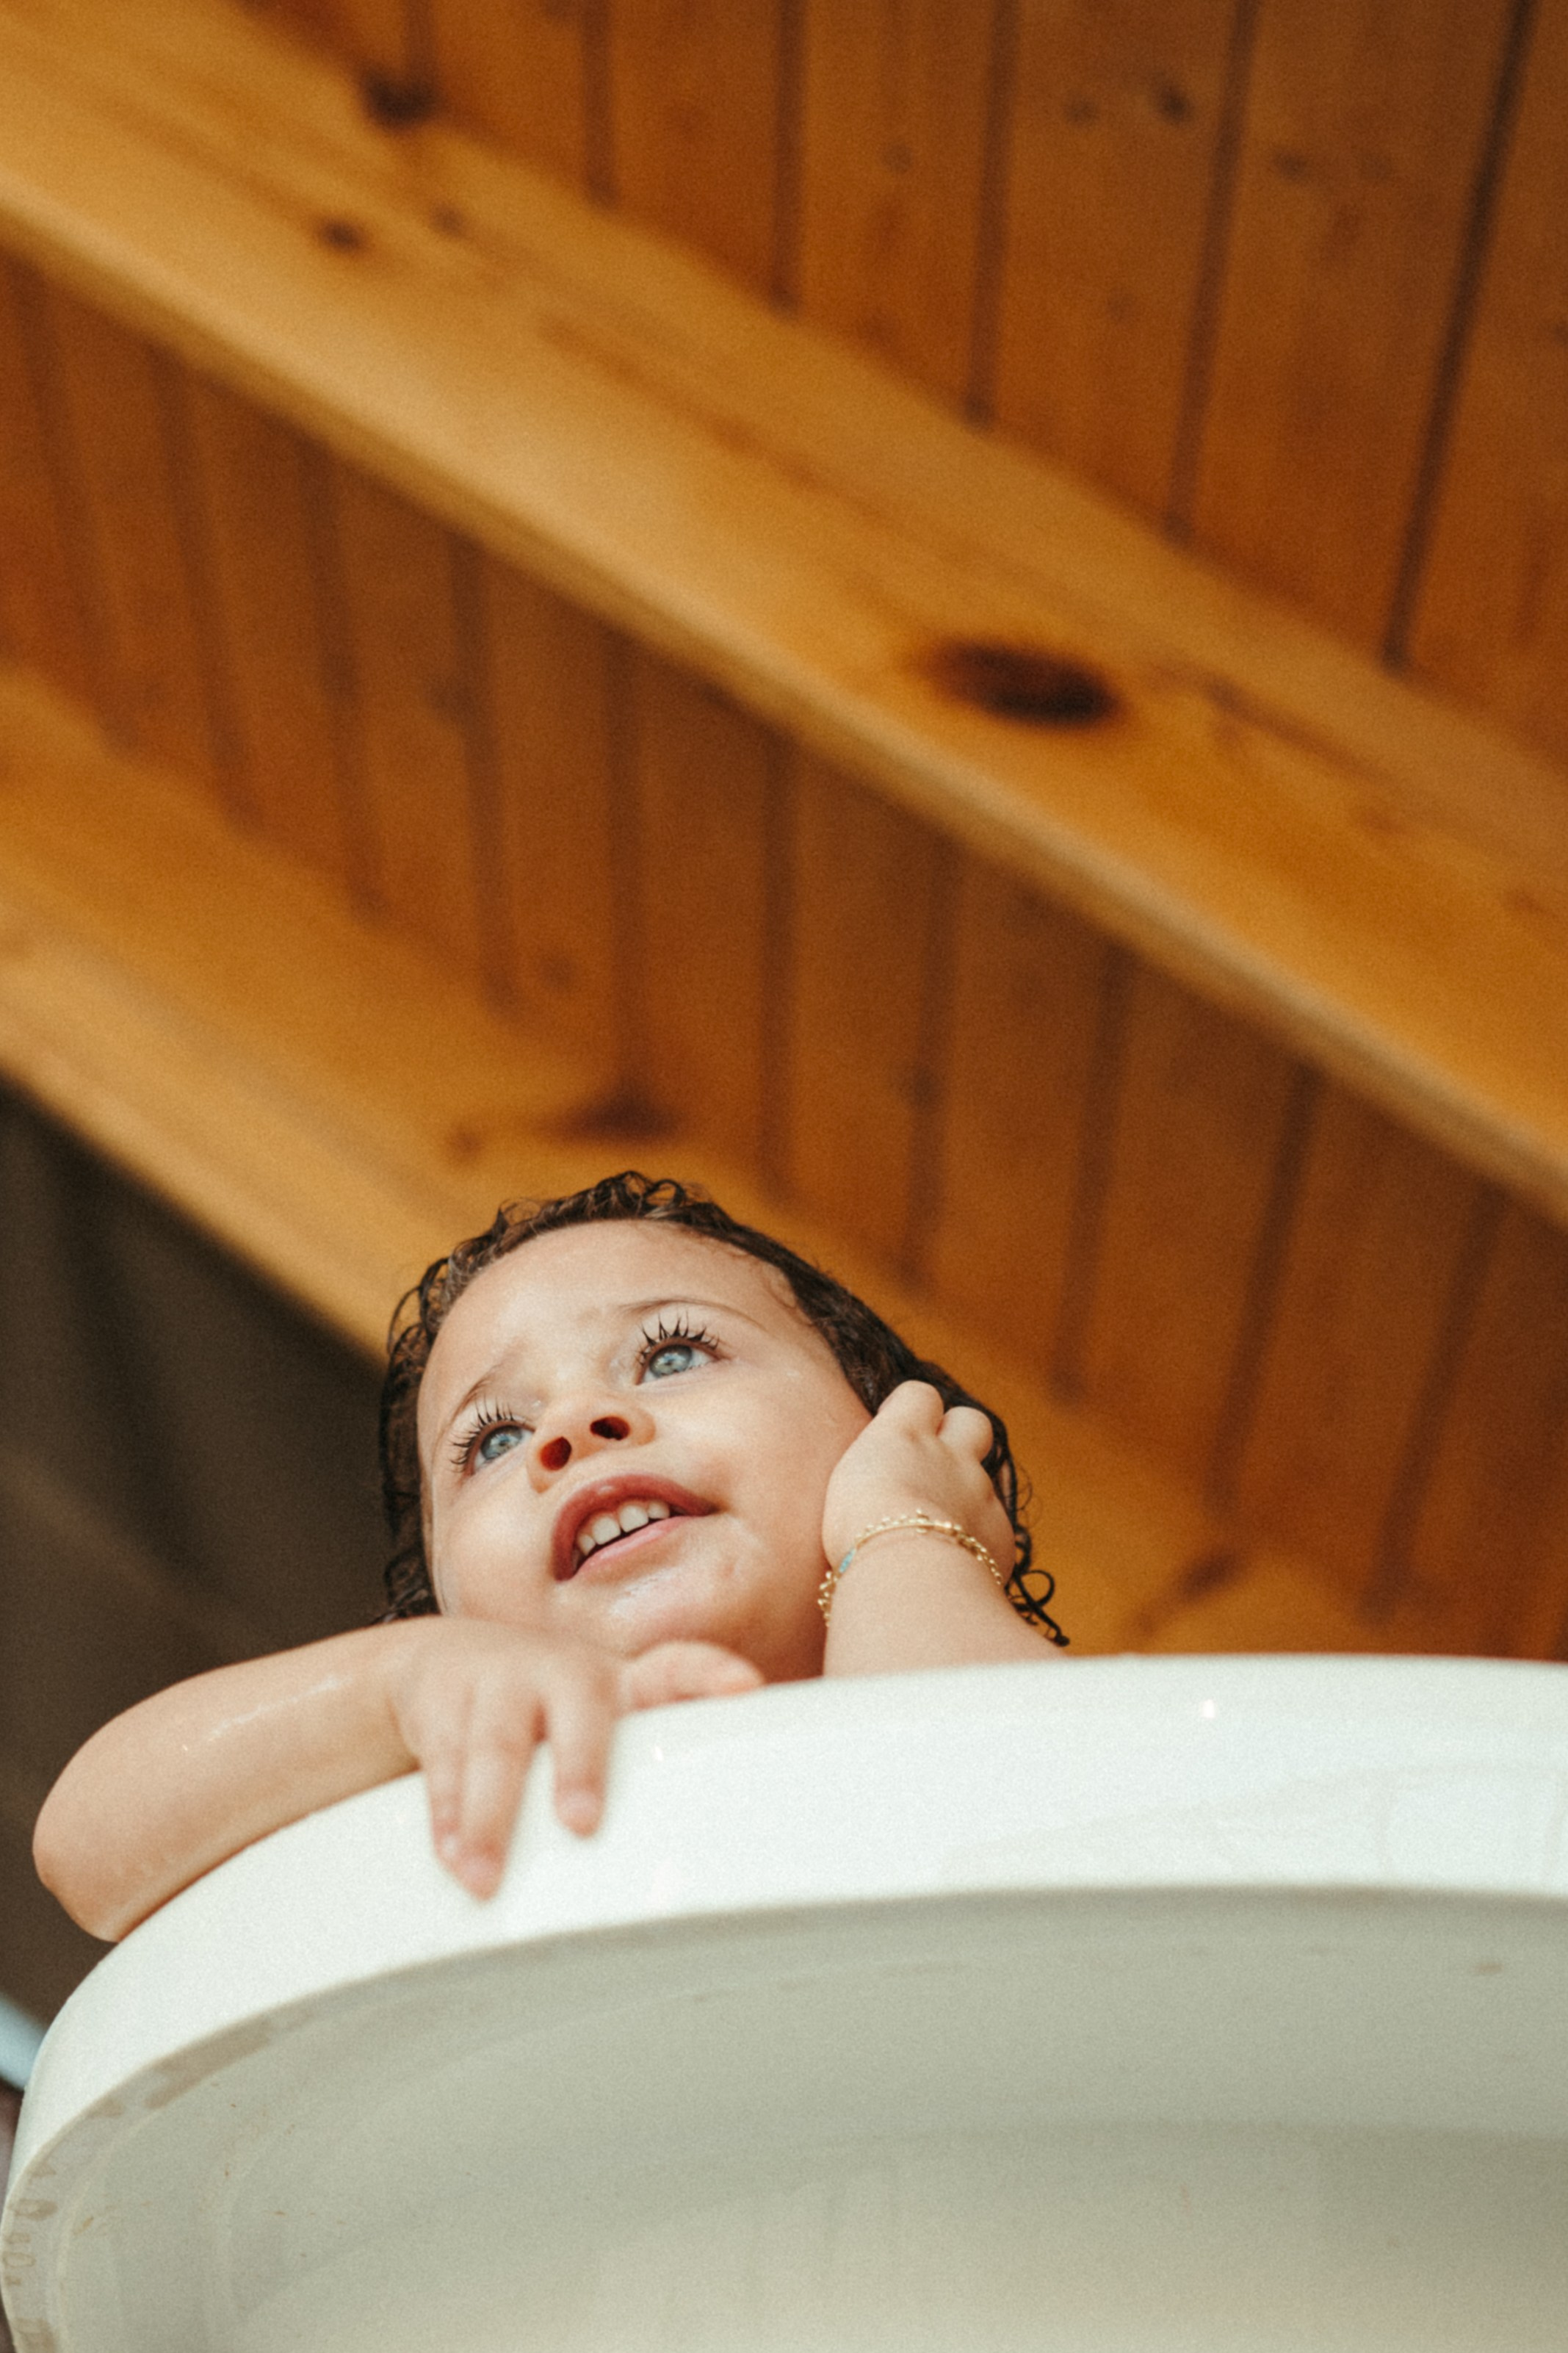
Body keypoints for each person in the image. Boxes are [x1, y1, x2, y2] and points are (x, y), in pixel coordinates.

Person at [35, 1172, 1065, 1942]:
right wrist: (399, 1685)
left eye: (670, 1354)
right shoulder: (477, 1774)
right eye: (492, 1441)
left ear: (882, 1428)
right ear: (446, 1604)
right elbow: (89, 1850)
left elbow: (1007, 1808)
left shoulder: (955, 1633)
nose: (574, 1427)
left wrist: (908, 1539)